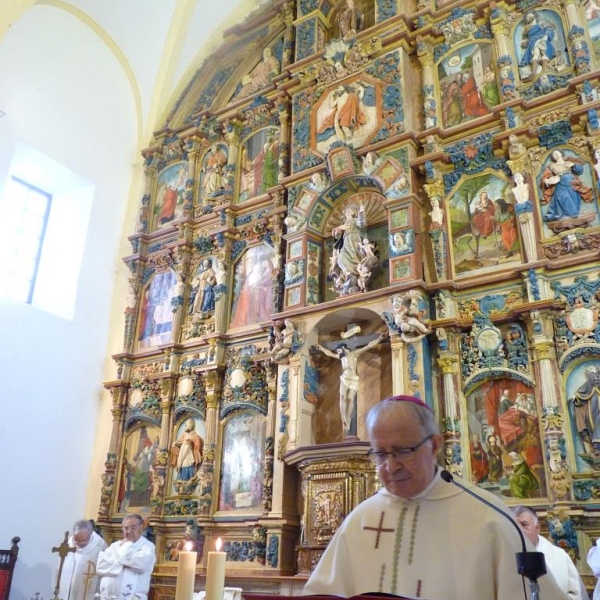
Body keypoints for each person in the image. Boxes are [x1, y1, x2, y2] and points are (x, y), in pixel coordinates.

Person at [303, 395, 566, 600]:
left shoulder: (487, 518)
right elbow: (323, 593)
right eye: (380, 454)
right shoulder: (361, 520)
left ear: (435, 445)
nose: (390, 466)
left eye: (402, 451)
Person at [315, 332, 387, 435]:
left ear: (343, 348)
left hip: (353, 379)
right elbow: (329, 354)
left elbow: (368, 345)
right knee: (342, 398)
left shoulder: (354, 354)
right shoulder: (341, 357)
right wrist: (321, 348)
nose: (338, 352)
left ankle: (348, 418)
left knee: (350, 399)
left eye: (339, 350)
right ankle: (343, 418)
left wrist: (380, 339)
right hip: (344, 378)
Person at [513, 506, 585, 600]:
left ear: (538, 527)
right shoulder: (504, 557)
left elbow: (576, 594)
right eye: (514, 525)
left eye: (524, 524)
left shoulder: (559, 556)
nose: (519, 530)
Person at [96, 514, 156, 600]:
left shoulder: (147, 547)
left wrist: (125, 547)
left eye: (133, 527)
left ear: (141, 527)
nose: (129, 531)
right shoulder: (114, 545)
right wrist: (125, 564)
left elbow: (140, 565)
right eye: (126, 528)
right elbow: (100, 566)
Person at [58, 520, 107, 600]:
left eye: (83, 540)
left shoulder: (101, 547)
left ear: (90, 534)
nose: (79, 543)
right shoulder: (68, 545)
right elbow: (60, 568)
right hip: (68, 591)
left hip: (88, 593)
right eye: (76, 540)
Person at [541, 149, 593, 221]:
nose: (555, 154)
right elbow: (546, 177)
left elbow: (579, 171)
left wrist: (574, 165)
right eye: (553, 154)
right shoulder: (552, 166)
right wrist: (547, 180)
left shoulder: (569, 162)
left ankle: (573, 215)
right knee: (562, 197)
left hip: (572, 184)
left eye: (557, 153)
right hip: (560, 183)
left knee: (574, 198)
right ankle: (572, 214)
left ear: (561, 153)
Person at [170, 418, 204, 484]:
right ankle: (181, 479)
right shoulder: (185, 434)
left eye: (188, 425)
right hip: (183, 451)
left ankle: (191, 477)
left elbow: (198, 439)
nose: (186, 427)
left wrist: (191, 439)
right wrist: (176, 443)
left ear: (191, 426)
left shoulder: (193, 434)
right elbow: (180, 440)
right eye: (186, 425)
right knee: (182, 464)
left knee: (188, 463)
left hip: (189, 452)